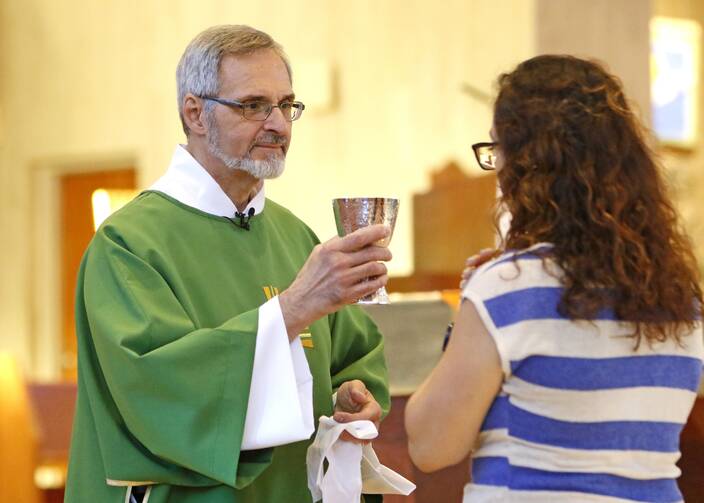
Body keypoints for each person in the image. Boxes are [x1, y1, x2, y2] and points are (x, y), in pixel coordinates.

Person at [65, 25, 393, 503]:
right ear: (195, 113)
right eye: (253, 105)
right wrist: (292, 307)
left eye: (286, 105)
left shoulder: (294, 234)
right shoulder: (129, 244)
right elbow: (162, 389)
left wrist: (351, 396)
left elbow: (351, 355)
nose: (279, 124)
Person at [405, 55, 704, 502]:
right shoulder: (681, 299)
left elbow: (431, 446)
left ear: (526, 165)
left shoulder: (510, 289)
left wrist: (474, 308)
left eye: (497, 148)